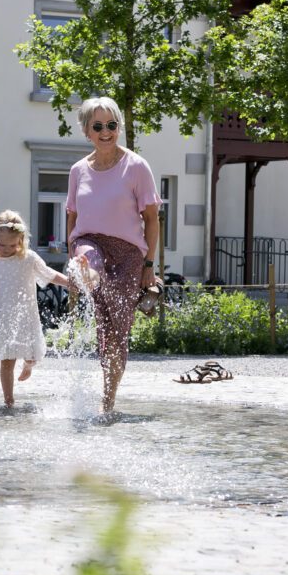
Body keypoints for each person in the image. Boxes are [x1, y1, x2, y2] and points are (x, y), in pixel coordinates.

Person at [65, 96, 162, 413]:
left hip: (128, 255)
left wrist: (149, 265)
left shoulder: (136, 167)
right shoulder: (78, 171)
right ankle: (86, 272)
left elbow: (151, 219)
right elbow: (71, 216)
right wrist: (73, 251)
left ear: (118, 127)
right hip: (89, 242)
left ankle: (108, 402)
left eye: (111, 125)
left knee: (114, 333)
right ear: (86, 130)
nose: (105, 131)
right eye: (97, 126)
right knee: (87, 256)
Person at [0, 210, 70, 408]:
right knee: (6, 362)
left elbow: (49, 274)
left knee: (31, 356)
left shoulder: (28, 258)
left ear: (21, 240)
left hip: (26, 317)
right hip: (2, 318)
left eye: (12, 245)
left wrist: (69, 283)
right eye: (2, 245)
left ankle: (28, 366)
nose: (6, 249)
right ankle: (9, 399)